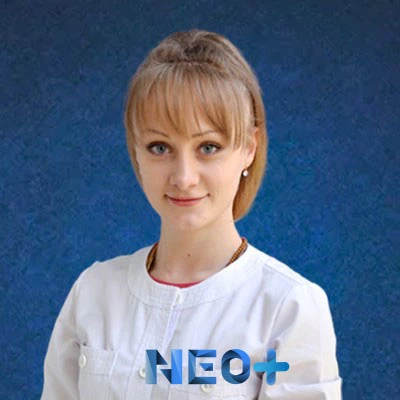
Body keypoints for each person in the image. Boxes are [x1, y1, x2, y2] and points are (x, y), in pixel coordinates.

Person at [41, 29, 342, 399]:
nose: (184, 178)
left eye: (208, 147)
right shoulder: (93, 293)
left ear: (249, 148)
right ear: (135, 151)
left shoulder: (287, 308)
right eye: (160, 147)